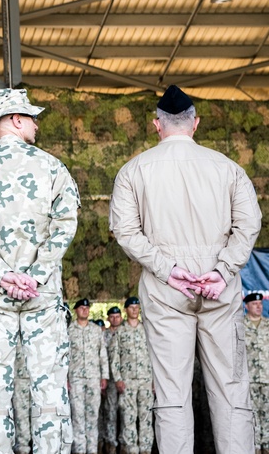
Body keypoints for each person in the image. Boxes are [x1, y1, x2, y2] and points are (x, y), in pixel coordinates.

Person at [110, 84, 262, 454]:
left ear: (156, 125)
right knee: (231, 387)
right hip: (219, 289)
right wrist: (223, 270)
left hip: (167, 291)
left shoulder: (133, 171)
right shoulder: (228, 169)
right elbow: (250, 224)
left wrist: (168, 268)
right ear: (195, 124)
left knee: (172, 391)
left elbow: (124, 230)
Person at [0, 88, 80, 454]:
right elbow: (65, 224)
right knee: (50, 393)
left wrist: (2, 275)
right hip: (42, 297)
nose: (36, 125)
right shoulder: (52, 167)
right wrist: (35, 275)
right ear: (17, 119)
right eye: (32, 118)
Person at [110, 296, 152, 454]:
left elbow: (154, 356)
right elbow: (115, 357)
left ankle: (146, 449)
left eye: (137, 306)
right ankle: (131, 450)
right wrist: (118, 378)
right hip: (127, 381)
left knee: (146, 417)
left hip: (146, 379)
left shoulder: (147, 330)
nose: (135, 309)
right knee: (128, 417)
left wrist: (155, 380)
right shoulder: (120, 331)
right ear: (126, 310)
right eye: (131, 307)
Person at [68, 298, 108, 454]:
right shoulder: (69, 330)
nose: (85, 310)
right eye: (81, 308)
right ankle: (79, 450)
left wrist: (104, 376)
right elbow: (65, 356)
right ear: (76, 310)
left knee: (92, 417)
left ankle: (92, 450)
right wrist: (65, 378)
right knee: (78, 417)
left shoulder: (96, 330)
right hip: (76, 379)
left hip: (93, 378)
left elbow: (102, 354)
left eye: (87, 308)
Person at [246, 292, 269, 454]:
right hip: (249, 378)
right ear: (246, 306)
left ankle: (266, 446)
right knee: (251, 415)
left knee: (267, 414)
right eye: (254, 304)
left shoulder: (268, 325)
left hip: (267, 377)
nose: (258, 306)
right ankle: (254, 447)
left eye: (260, 304)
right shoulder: (240, 325)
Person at [100, 306, 122, 454]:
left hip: (125, 379)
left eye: (117, 316)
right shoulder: (103, 335)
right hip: (110, 380)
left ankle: (125, 444)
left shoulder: (126, 332)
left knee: (127, 413)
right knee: (110, 412)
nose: (114, 319)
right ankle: (111, 444)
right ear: (108, 318)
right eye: (112, 317)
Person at [12, 345, 32, 454]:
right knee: (21, 416)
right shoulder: (13, 328)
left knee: (42, 416)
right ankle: (22, 449)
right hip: (19, 376)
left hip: (41, 377)